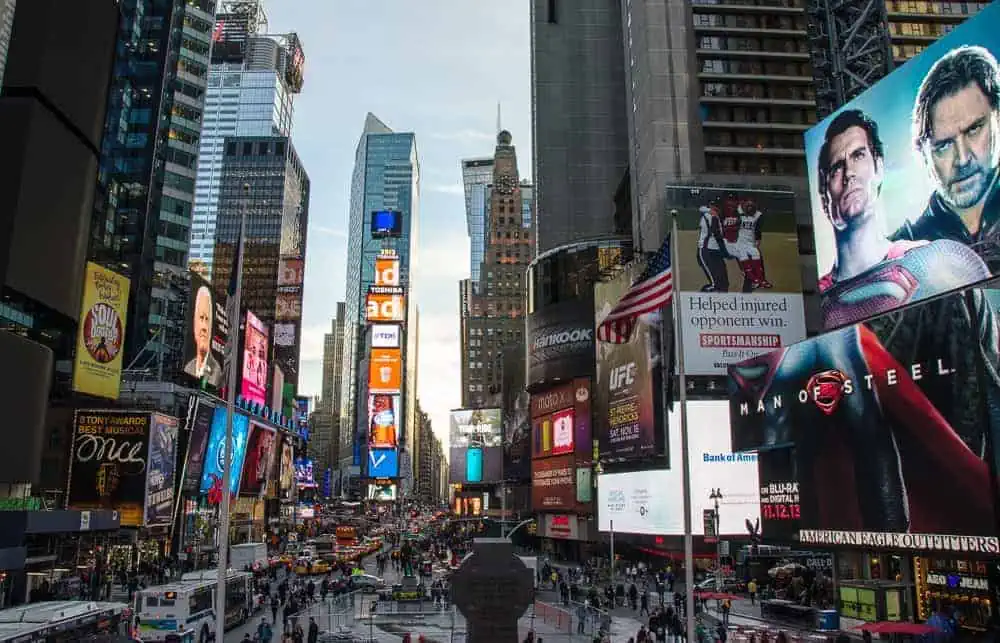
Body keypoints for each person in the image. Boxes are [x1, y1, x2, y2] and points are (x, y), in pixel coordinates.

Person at [814, 108, 991, 330]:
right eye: (836, 167)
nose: (849, 172)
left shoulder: (931, 264)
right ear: (824, 192)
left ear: (878, 166)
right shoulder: (816, 303)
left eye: (858, 156)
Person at [892, 46, 1000, 271]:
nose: (962, 159)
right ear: (922, 154)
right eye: (943, 145)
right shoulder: (902, 252)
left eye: (973, 130)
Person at [184, 286, 222, 385]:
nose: (204, 327)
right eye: (201, 318)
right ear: (194, 322)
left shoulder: (216, 371)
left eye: (207, 320)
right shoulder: (188, 367)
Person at [697, 199, 732, 292]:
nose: (714, 208)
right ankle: (701, 301)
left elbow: (701, 208)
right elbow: (717, 236)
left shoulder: (711, 215)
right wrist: (726, 253)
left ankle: (721, 302)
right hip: (706, 251)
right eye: (712, 206)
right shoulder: (712, 217)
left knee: (723, 283)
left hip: (714, 252)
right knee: (716, 285)